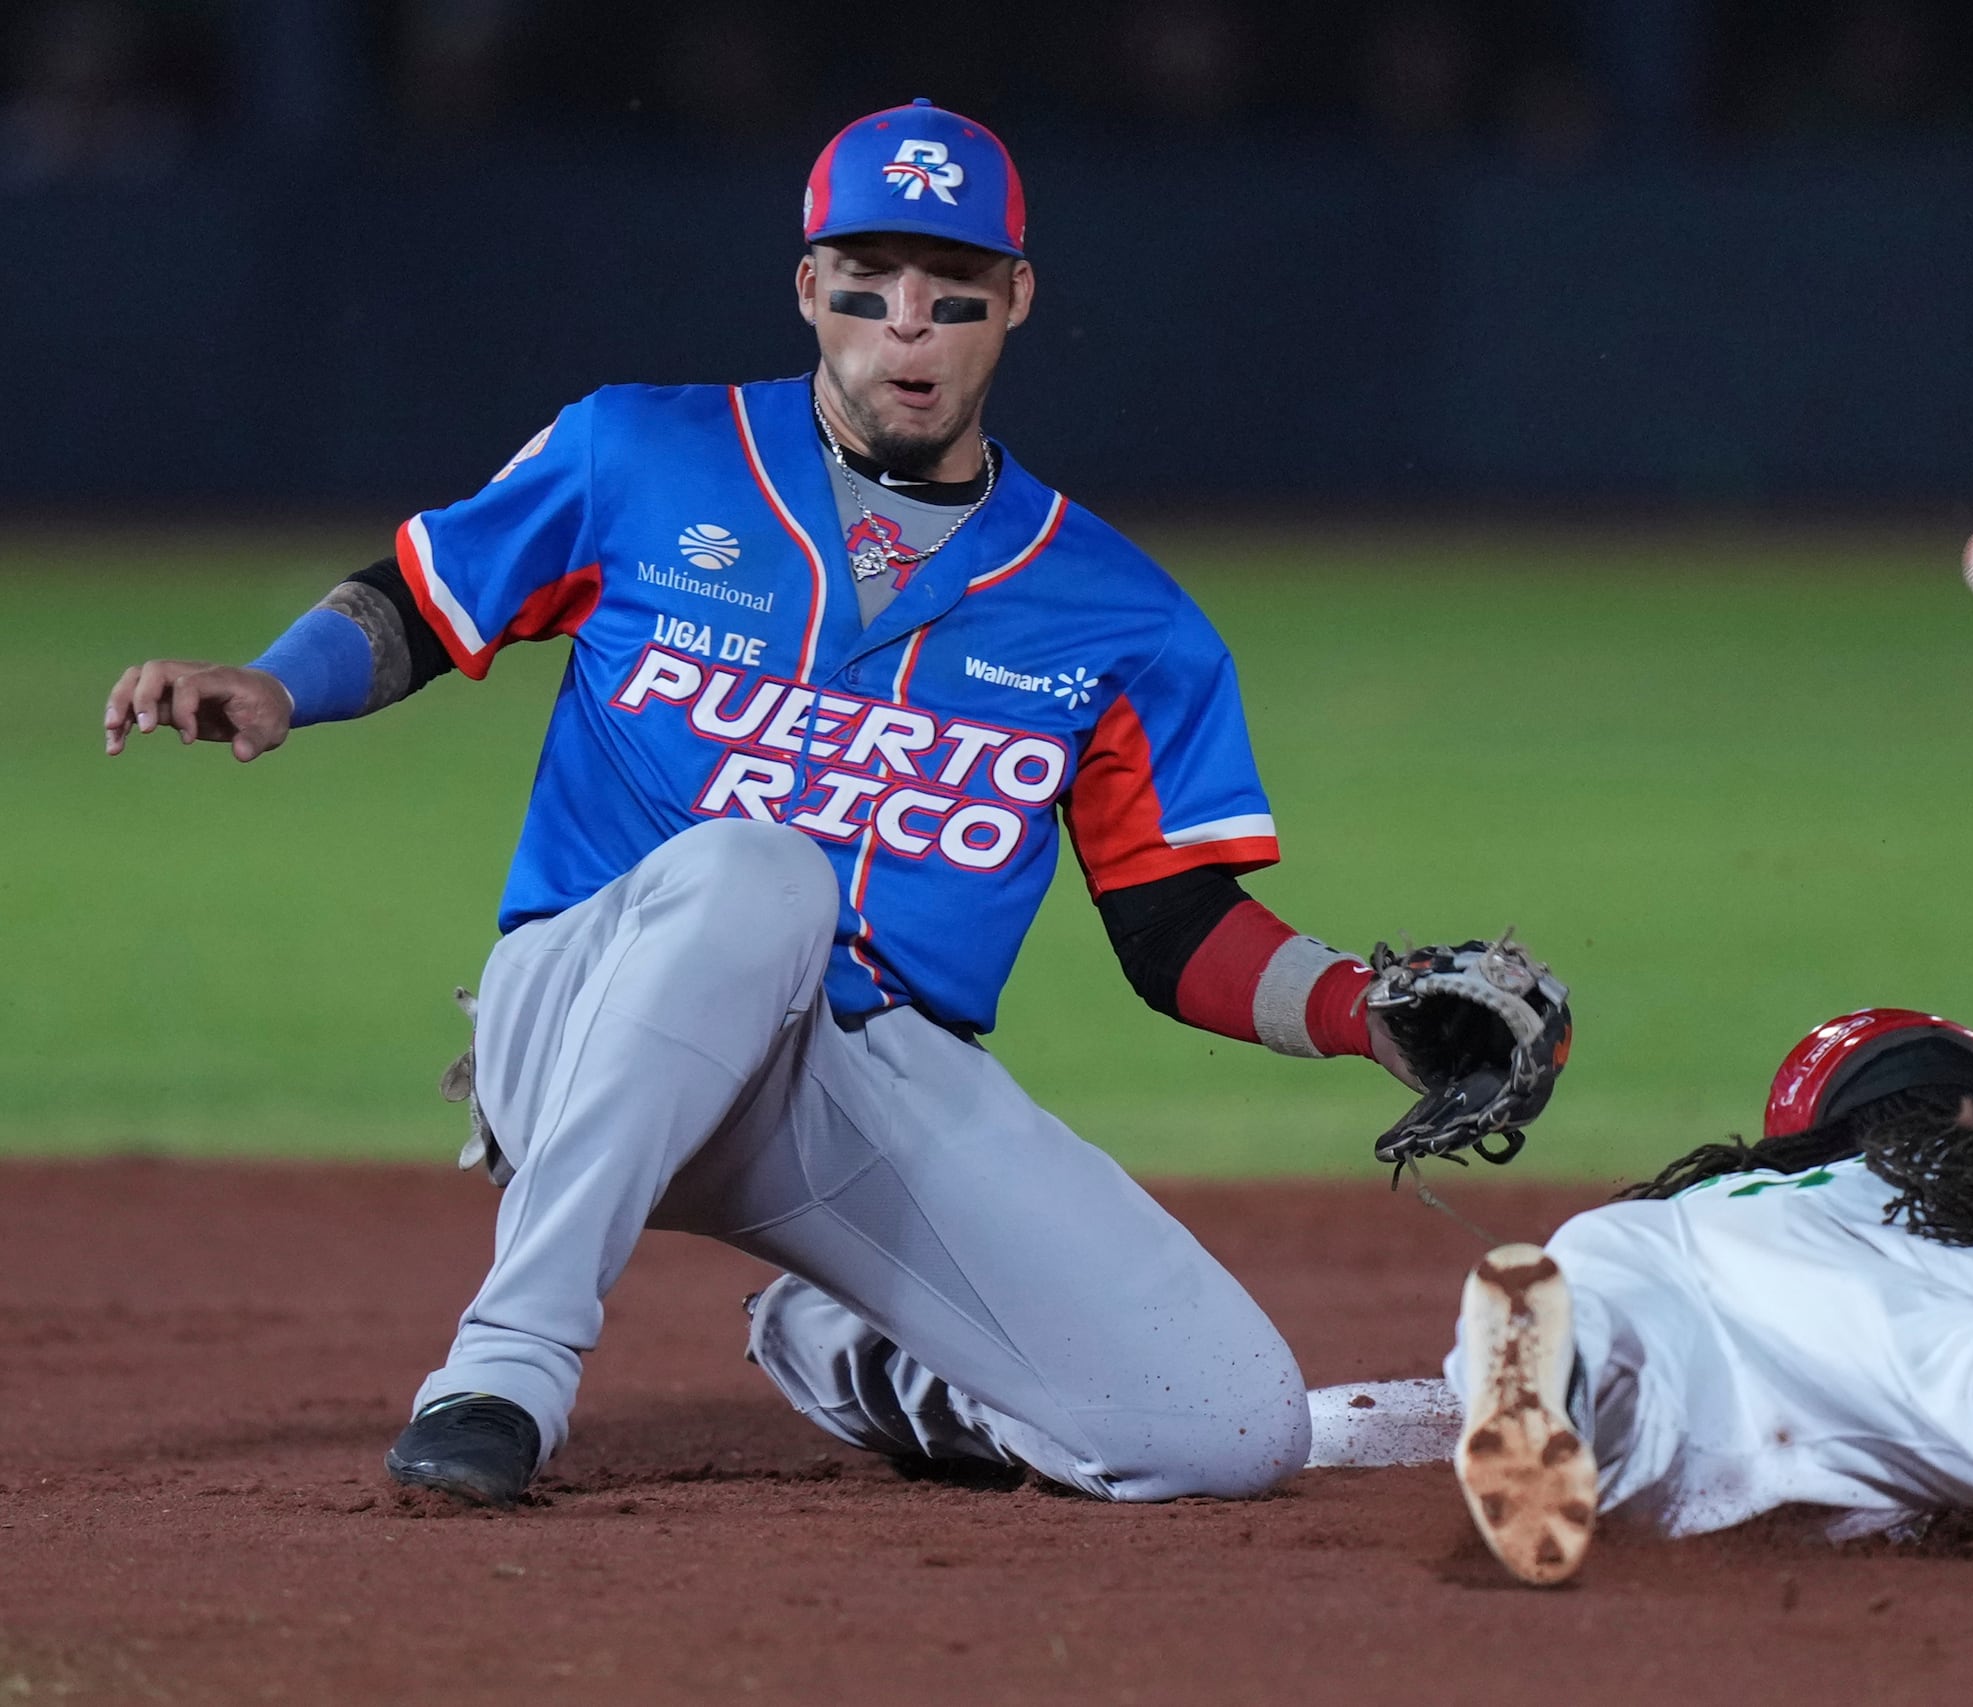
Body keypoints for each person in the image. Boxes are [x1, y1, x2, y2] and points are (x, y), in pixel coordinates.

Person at [99, 99, 1495, 1509]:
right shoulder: (639, 454)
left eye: (950, 293)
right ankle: (503, 1367)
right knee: (766, 872)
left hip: (858, 1079)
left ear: (1014, 300)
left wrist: (1362, 1010)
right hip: (592, 1015)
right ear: (807, 288)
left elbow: (1173, 919)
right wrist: (280, 681)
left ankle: (849, 1348)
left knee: (1221, 1435)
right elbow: (422, 592)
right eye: (866, 286)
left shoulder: (1119, 611)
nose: (907, 327)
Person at [1311, 1010, 1973, 1585]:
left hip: (1648, 1252)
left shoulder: (1730, 1190)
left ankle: (1573, 1374)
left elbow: (1387, 1423)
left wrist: (1288, 1430)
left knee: (1634, 1408)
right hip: (1896, 1328)